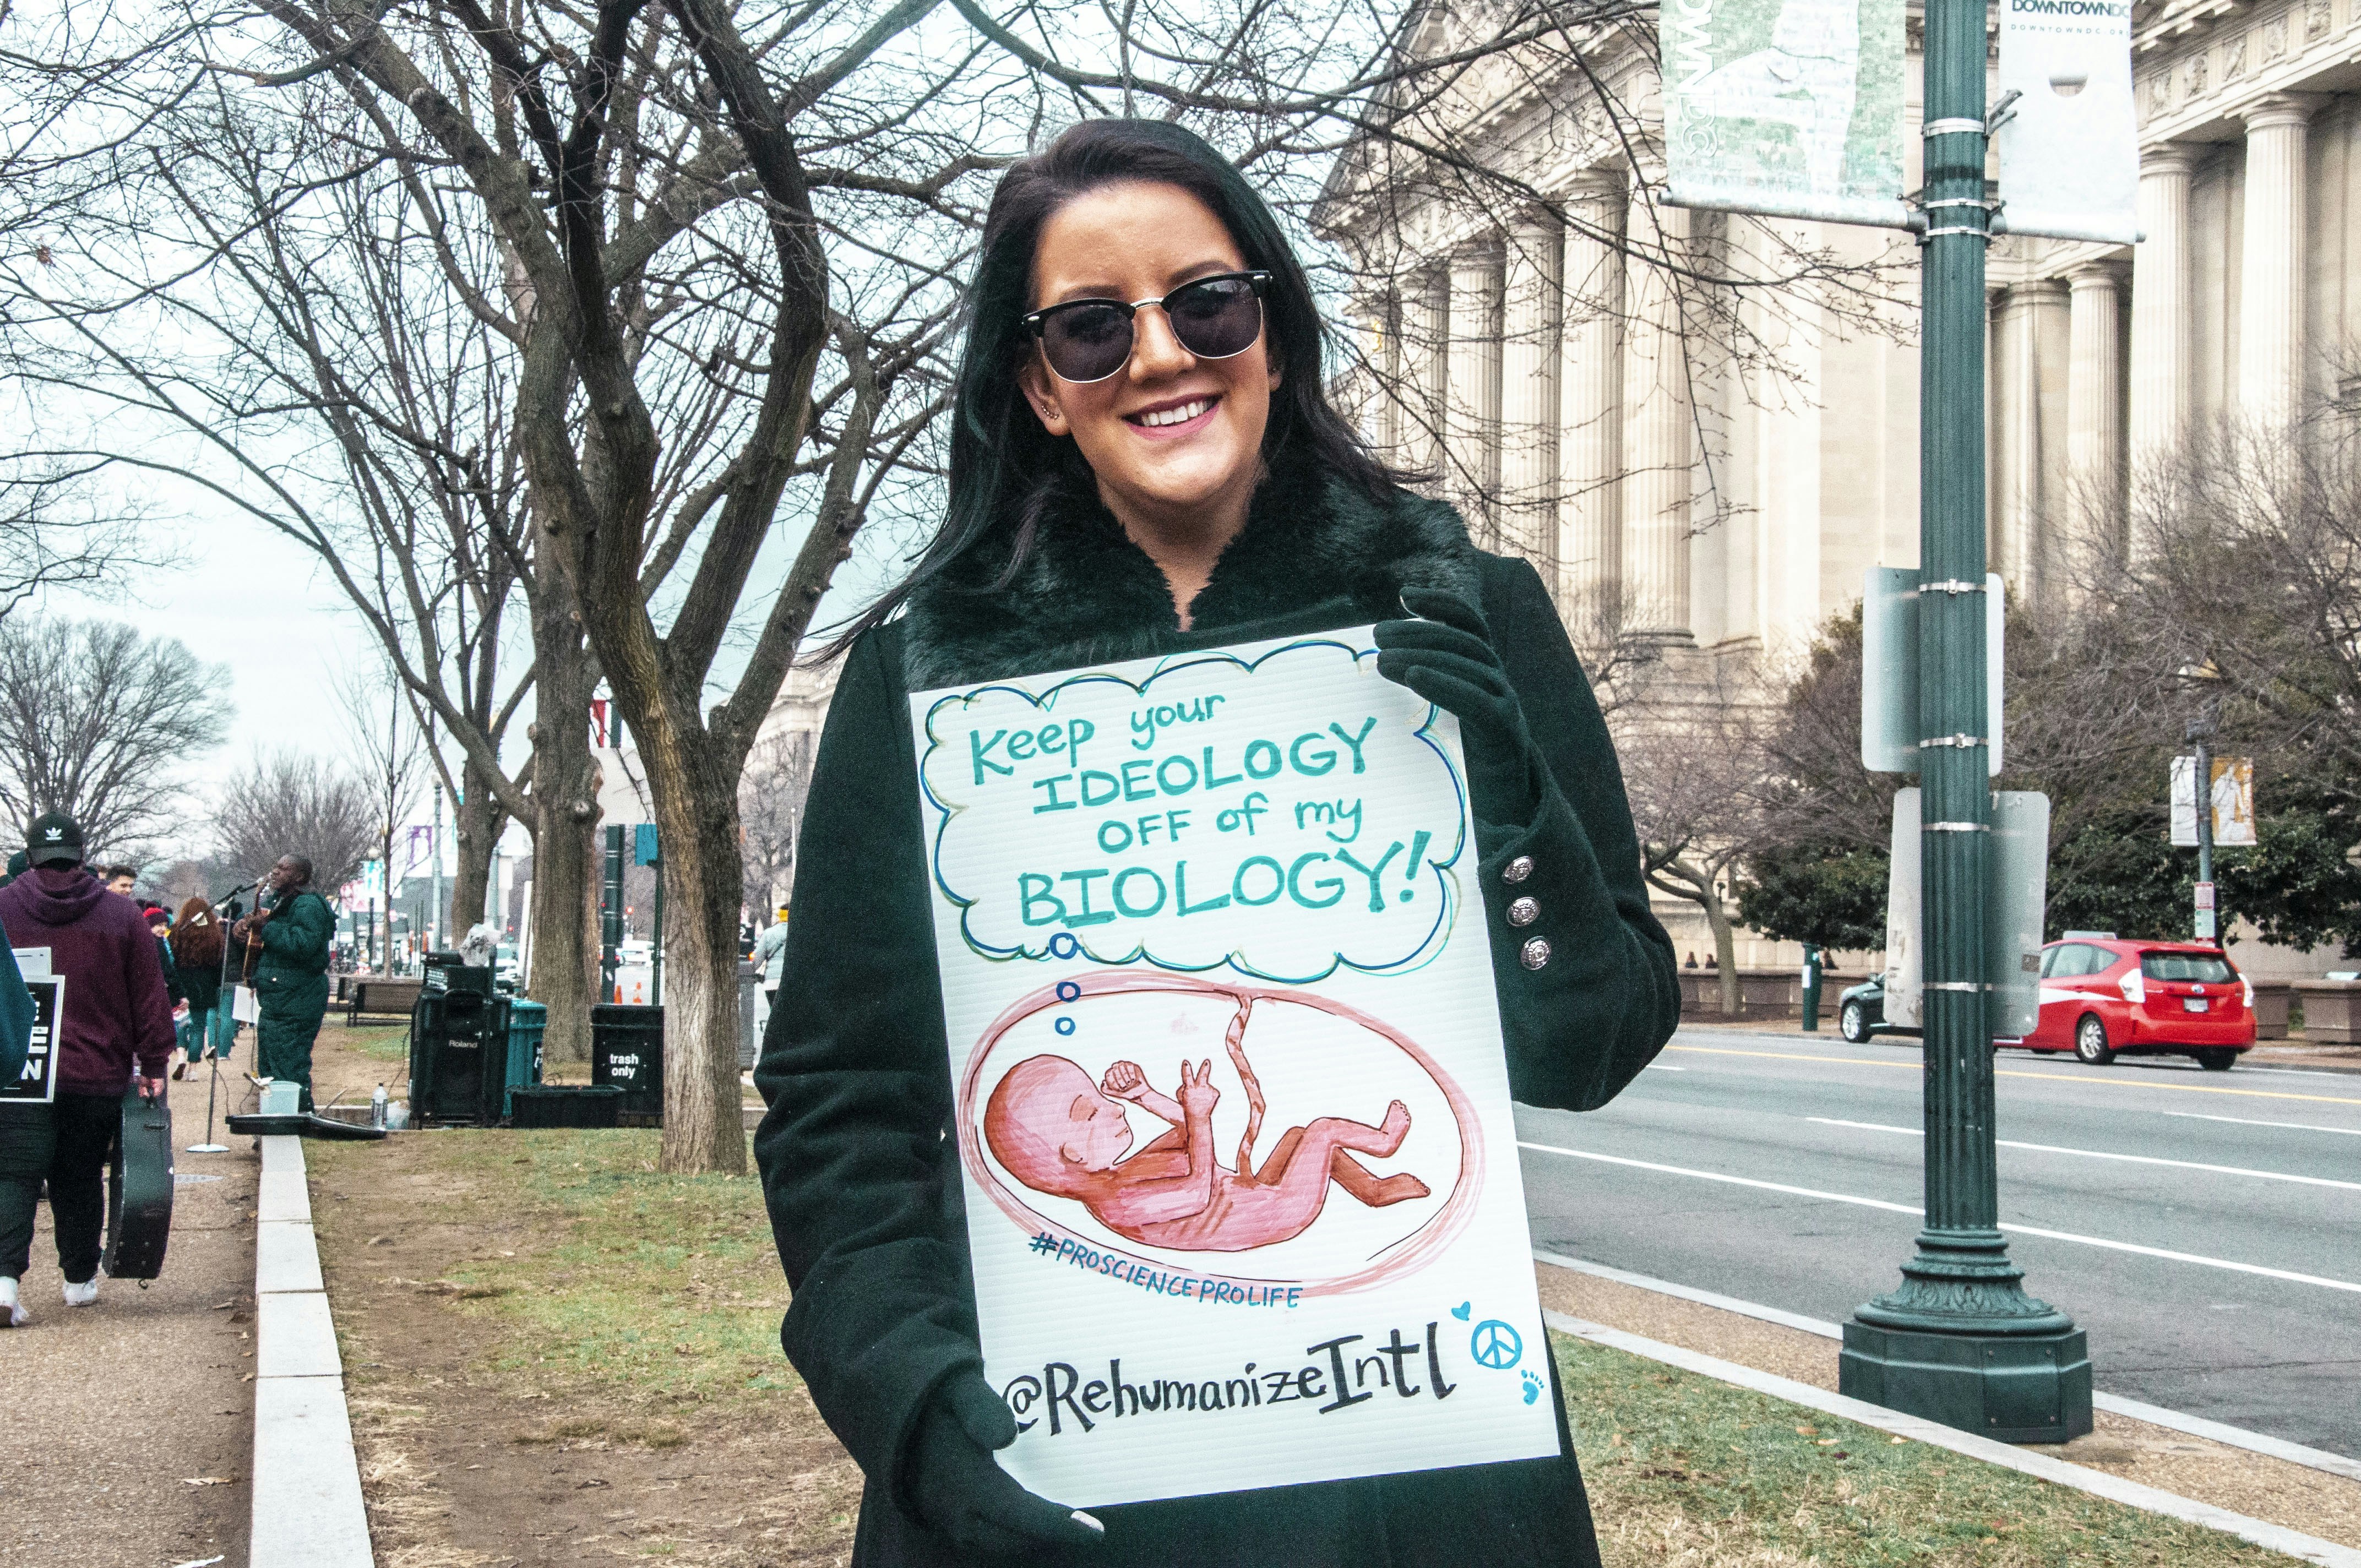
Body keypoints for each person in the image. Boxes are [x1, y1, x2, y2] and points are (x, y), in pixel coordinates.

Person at [753, 121, 1678, 1567]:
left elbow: (1595, 1043)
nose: (1162, 356)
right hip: (1047, 1462)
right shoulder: (925, 673)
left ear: (1276, 332)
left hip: (1407, 1474)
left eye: (1206, 304)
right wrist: (911, 1404)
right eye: (1089, 329)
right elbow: (839, 1104)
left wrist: (1510, 808)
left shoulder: (1459, 608)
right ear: (1040, 390)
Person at [0, 811, 173, 1319]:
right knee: (79, 1175)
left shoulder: (4, 907)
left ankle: (5, 1283)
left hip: (18, 1069)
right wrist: (154, 1061)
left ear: (30, 856)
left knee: (13, 1174)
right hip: (94, 1069)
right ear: (81, 854)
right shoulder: (121, 917)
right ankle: (79, 1278)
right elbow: (149, 996)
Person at [232, 856, 333, 1111]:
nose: (275, 872)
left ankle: (296, 1114)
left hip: (297, 997)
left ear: (299, 877)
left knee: (289, 1062)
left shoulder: (308, 905)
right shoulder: (275, 903)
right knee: (272, 1065)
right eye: (275, 867)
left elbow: (304, 944)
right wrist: (243, 929)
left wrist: (266, 928)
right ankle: (278, 1115)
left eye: (283, 869)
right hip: (278, 999)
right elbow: (265, 936)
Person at [170, 896, 230, 1076]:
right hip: (205, 987)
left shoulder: (176, 932)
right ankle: (193, 1068)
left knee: (181, 1023)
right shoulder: (214, 934)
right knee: (198, 1028)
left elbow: (171, 959)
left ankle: (180, 1056)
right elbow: (219, 964)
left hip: (182, 985)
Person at [751, 905, 791, 1005]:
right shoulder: (800, 933)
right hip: (794, 982)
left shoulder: (769, 933)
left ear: (780, 916)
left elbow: (758, 959)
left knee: (774, 1014)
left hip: (772, 982)